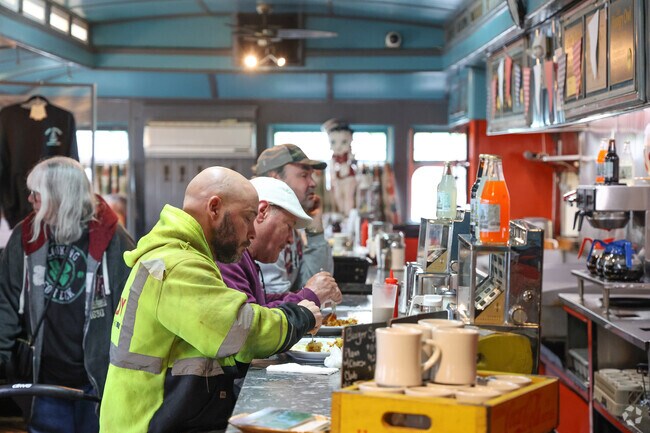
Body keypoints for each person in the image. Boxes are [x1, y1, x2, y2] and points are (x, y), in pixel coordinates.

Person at [99, 167, 321, 433]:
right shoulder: (177, 267)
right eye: (247, 218)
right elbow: (240, 330)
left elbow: (205, 344)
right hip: (150, 424)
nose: (252, 232)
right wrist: (300, 316)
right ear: (214, 208)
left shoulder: (184, 258)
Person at [0, 156, 134, 433]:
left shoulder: (113, 239)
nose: (31, 199)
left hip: (97, 382)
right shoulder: (24, 238)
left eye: (38, 193)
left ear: (60, 196)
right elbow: (5, 304)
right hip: (43, 382)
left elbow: (134, 312)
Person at [219, 176, 342, 308]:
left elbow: (262, 302)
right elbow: (252, 319)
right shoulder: (229, 256)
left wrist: (312, 294)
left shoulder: (244, 258)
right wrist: (309, 296)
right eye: (289, 226)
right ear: (262, 212)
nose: (290, 239)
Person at [253, 144, 333, 294]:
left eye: (312, 175)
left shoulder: (290, 220)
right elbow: (275, 299)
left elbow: (315, 284)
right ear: (275, 179)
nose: (313, 183)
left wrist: (314, 228)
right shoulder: (263, 225)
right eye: (304, 175)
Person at [322, 119, 358, 215]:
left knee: (348, 197)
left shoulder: (349, 156)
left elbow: (354, 164)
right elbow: (331, 169)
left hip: (348, 178)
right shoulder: (333, 158)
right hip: (337, 180)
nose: (338, 146)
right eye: (333, 142)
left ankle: (348, 214)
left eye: (343, 142)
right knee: (338, 197)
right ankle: (342, 213)